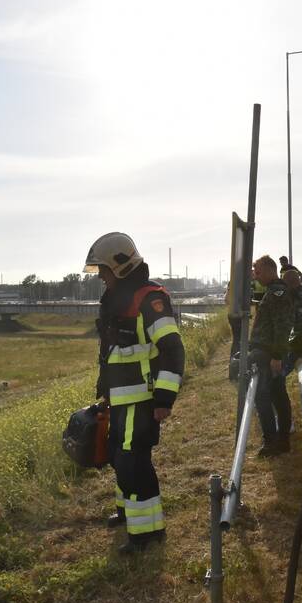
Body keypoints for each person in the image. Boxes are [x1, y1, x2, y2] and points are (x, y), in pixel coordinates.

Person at [85, 232, 185, 553]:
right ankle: (130, 513)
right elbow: (112, 351)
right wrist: (105, 389)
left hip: (142, 400)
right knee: (120, 457)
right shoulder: (117, 300)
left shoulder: (149, 299)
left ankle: (144, 536)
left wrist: (164, 399)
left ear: (121, 267)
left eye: (104, 270)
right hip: (120, 399)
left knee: (131, 462)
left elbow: (172, 349)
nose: (101, 277)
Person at [249, 254, 294, 457]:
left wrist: (276, 356)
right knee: (277, 396)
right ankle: (281, 441)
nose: (256, 276)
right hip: (268, 352)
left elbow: (282, 326)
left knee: (265, 397)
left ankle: (273, 442)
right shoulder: (272, 291)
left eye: (258, 272)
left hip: (270, 354)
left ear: (269, 270)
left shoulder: (277, 293)